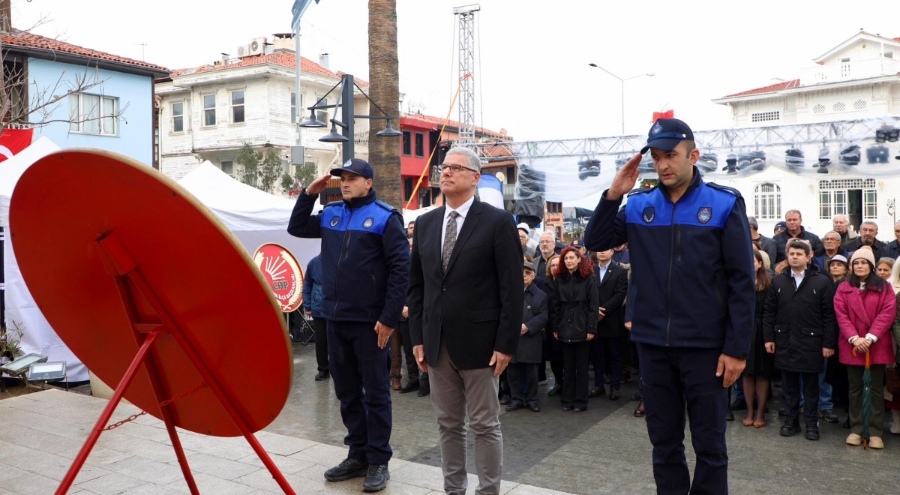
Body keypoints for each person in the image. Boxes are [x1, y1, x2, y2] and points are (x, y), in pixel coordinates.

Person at [584, 118, 755, 494]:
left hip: (706, 348)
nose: (663, 165)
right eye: (657, 157)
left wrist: (736, 349)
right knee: (664, 444)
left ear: (693, 155)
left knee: (710, 446)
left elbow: (742, 282)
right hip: (652, 345)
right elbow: (595, 240)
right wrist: (614, 192)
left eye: (671, 156)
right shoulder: (638, 205)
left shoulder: (723, 204)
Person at [287, 158, 409, 492]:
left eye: (353, 178)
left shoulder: (386, 217)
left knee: (376, 393)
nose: (345, 183)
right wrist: (309, 194)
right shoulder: (331, 213)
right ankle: (357, 453)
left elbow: (401, 271)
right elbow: (296, 227)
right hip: (334, 318)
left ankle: (379, 458)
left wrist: (388, 318)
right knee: (346, 391)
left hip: (370, 323)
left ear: (368, 182)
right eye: (342, 178)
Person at [408, 146, 524, 495]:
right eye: (444, 167)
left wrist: (506, 344)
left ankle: (488, 490)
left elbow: (511, 288)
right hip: (436, 343)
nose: (446, 172)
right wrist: (417, 337)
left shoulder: (497, 221)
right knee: (447, 425)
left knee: (485, 425)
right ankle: (453, 489)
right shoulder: (426, 223)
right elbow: (417, 288)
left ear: (475, 178)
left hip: (482, 345)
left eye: (455, 168)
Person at [763, 238, 836, 442]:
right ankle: (791, 421)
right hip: (784, 340)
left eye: (799, 254)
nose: (794, 257)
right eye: (791, 254)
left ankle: (812, 424)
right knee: (789, 386)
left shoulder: (821, 280)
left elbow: (829, 315)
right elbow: (769, 311)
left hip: (812, 342)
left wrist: (828, 343)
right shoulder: (779, 280)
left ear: (808, 256)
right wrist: (769, 337)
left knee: (811, 387)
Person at [833, 246, 897, 449]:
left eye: (864, 263)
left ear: (871, 265)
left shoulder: (884, 287)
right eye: (856, 263)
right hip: (853, 344)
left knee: (876, 388)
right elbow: (841, 315)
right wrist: (854, 338)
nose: (860, 266)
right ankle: (857, 428)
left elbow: (888, 313)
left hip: (875, 344)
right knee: (855, 388)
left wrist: (870, 337)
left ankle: (876, 431)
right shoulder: (843, 287)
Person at [550, 247, 598, 412]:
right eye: (566, 258)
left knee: (582, 368)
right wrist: (555, 326)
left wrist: (591, 328)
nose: (569, 261)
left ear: (579, 259)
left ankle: (581, 401)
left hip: (582, 327)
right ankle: (567, 399)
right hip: (564, 327)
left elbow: (593, 306)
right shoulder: (559, 279)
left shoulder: (588, 279)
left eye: (572, 258)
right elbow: (555, 305)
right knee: (568, 366)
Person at [506, 260, 548, 413]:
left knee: (532, 373)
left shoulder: (541, 295)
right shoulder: (510, 292)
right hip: (513, 337)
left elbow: (543, 316)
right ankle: (516, 398)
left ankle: (532, 399)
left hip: (531, 337)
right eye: (521, 273)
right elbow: (504, 312)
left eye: (528, 273)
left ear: (534, 275)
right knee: (513, 371)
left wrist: (528, 327)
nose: (524, 276)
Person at [588, 248, 629, 401]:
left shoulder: (619, 271)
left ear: (612, 252)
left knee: (615, 356)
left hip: (612, 320)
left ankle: (615, 386)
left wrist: (603, 310)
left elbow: (620, 294)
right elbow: (588, 292)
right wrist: (594, 310)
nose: (602, 252)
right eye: (600, 250)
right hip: (595, 320)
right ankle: (599, 385)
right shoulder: (591, 271)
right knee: (597, 355)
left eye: (606, 249)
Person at [742, 248, 776, 428]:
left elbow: (772, 310)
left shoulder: (770, 282)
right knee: (746, 372)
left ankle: (760, 412)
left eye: (753, 261)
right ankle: (749, 411)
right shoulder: (739, 281)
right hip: (744, 329)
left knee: (763, 372)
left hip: (763, 329)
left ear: (760, 263)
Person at [302, 253, 329, 381]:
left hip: (335, 309)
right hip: (318, 309)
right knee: (321, 341)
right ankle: (323, 369)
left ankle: (338, 370)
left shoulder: (339, 259)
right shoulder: (313, 263)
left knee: (338, 342)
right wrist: (307, 305)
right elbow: (307, 284)